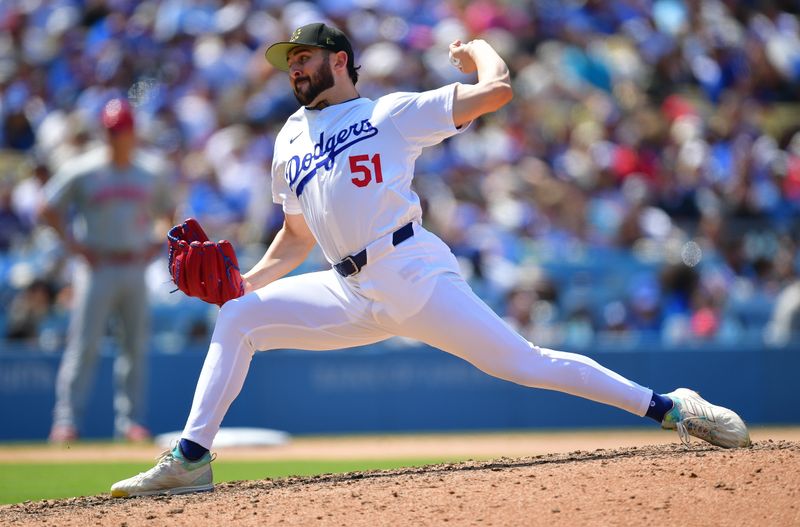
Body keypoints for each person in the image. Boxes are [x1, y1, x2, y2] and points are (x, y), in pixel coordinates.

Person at [111, 23, 750, 497]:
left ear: (339, 60)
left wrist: (478, 51)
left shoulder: (388, 113)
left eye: (304, 57)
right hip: (348, 291)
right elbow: (298, 236)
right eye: (289, 61)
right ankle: (192, 460)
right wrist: (245, 283)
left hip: (413, 272)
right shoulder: (288, 137)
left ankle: (671, 407)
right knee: (239, 318)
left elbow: (495, 91)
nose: (294, 69)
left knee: (524, 364)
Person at [40, 98, 175, 443]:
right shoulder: (83, 169)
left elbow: (168, 209)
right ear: (105, 132)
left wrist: (157, 239)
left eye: (124, 130)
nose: (119, 137)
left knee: (134, 347)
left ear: (133, 132)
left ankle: (130, 422)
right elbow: (47, 206)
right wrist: (73, 244)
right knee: (83, 345)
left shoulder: (150, 170)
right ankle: (66, 421)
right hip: (96, 266)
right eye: (113, 131)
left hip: (134, 265)